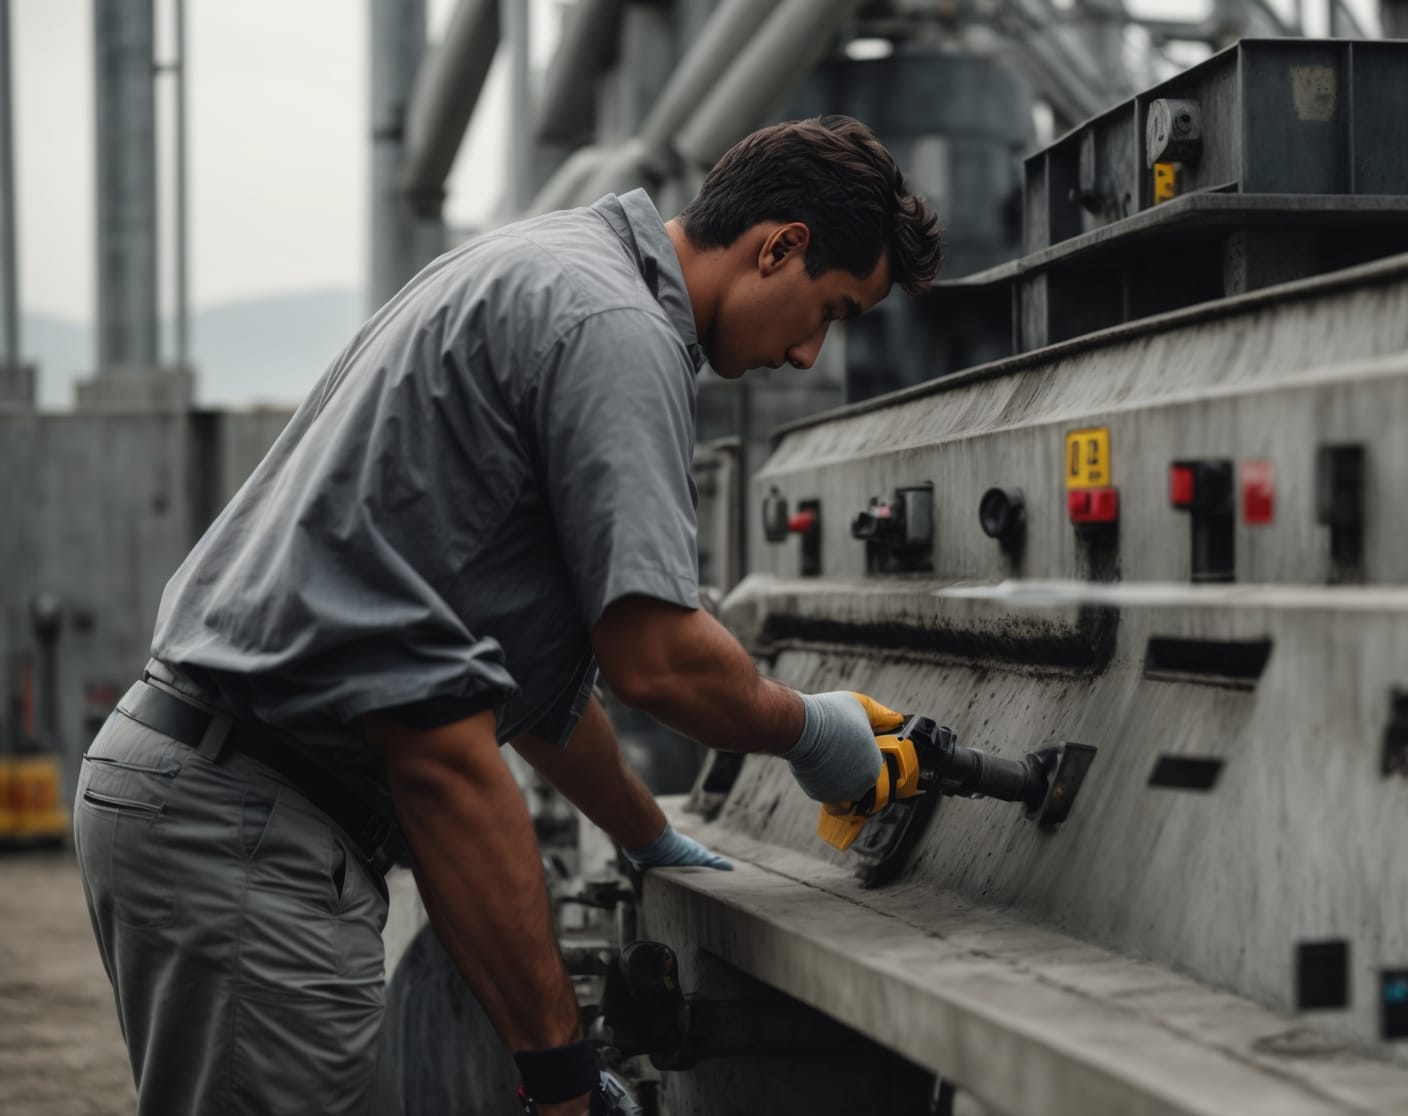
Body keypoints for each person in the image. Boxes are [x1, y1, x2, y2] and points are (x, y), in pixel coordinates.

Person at [71, 115, 943, 1116]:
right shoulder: (617, 332)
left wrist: (644, 831)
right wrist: (812, 733)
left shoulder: (553, 266)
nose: (806, 351)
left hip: (205, 787)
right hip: (250, 822)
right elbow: (650, 661)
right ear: (778, 245)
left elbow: (528, 690)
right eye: (828, 310)